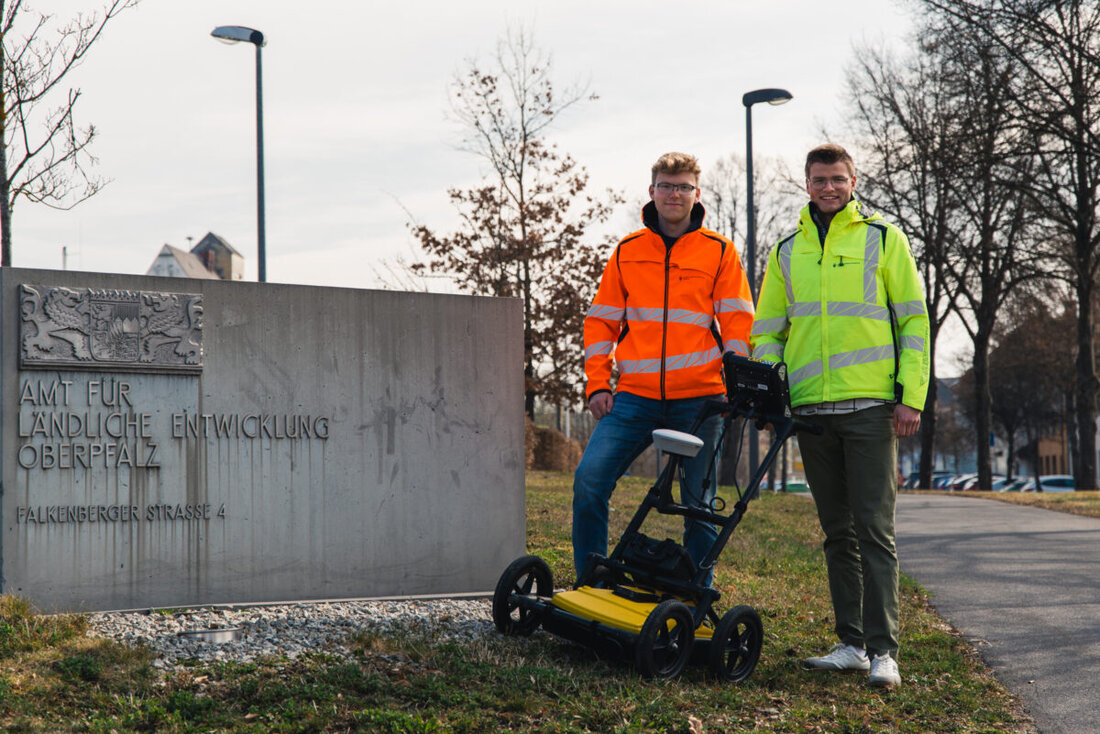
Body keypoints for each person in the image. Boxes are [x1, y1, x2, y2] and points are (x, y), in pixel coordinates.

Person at [750, 143, 929, 689]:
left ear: (854, 181)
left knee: (874, 529)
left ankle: (883, 651)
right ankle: (850, 643)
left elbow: (913, 322)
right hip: (812, 412)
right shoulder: (785, 251)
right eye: (819, 179)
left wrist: (911, 395)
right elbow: (767, 334)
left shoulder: (883, 239)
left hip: (872, 409)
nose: (828, 187)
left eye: (837, 178)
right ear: (806, 184)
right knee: (836, 532)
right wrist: (769, 395)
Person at [572, 152, 754, 586]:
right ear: (652, 191)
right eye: (667, 186)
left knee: (699, 505)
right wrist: (598, 383)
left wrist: (737, 388)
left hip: (701, 401)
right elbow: (600, 322)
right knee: (589, 481)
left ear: (697, 194)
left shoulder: (720, 253)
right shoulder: (627, 252)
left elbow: (737, 323)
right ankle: (592, 584)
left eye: (683, 186)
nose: (675, 194)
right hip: (633, 398)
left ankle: (694, 598)